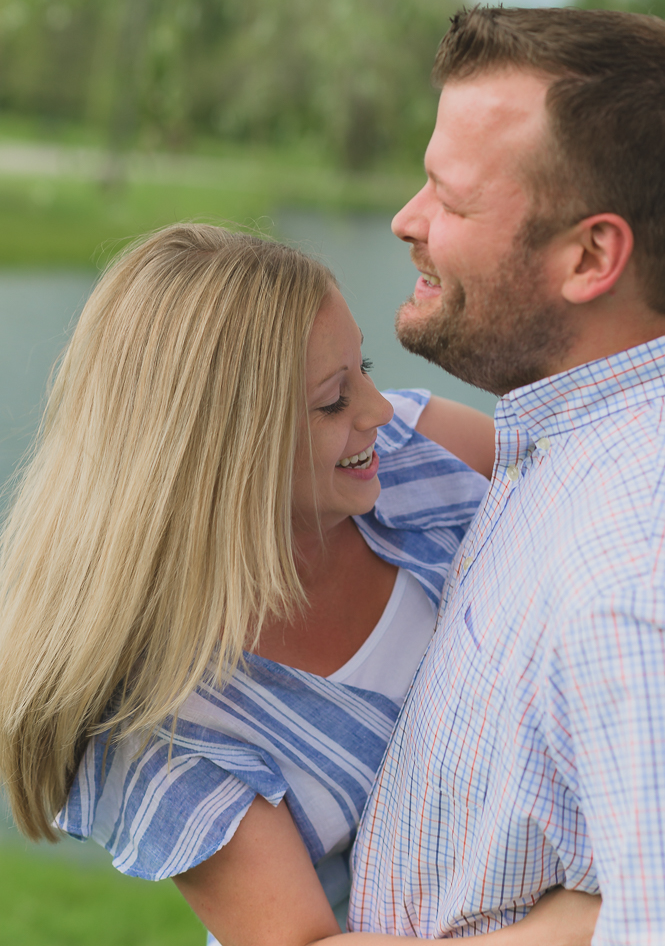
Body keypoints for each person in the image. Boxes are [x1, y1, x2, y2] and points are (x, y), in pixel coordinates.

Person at [0, 223, 599, 945]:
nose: (379, 410)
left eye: (365, 368)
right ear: (220, 447)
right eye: (330, 401)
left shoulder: (421, 454)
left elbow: (603, 507)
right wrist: (585, 922)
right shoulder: (162, 725)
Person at [348, 6, 665, 944]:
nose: (407, 221)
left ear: (590, 255)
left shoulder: (629, 577)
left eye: (450, 200)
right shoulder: (556, 453)